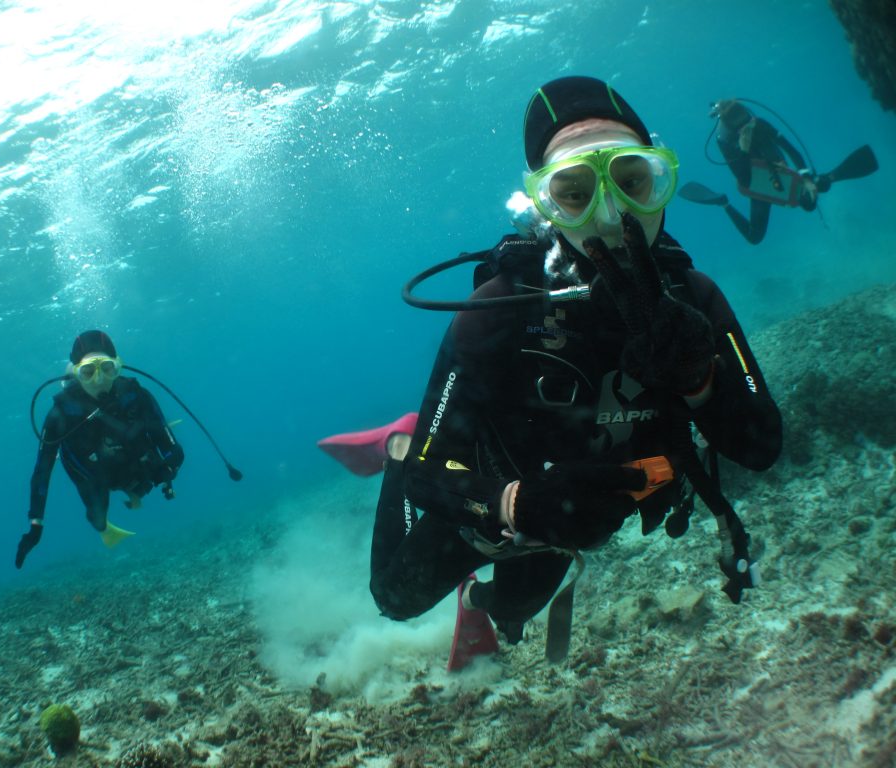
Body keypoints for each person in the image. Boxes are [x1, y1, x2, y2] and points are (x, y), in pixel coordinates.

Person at [366, 76, 783, 663]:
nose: (612, 214)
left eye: (634, 181)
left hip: (583, 510)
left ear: (660, 185)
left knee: (512, 608)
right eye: (576, 192)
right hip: (502, 491)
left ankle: (492, 603)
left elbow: (760, 446)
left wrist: (700, 378)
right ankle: (397, 440)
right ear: (545, 205)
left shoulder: (695, 299)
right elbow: (430, 475)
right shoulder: (497, 311)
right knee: (394, 598)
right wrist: (515, 503)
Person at [15, 330, 185, 568]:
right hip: (90, 472)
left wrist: (170, 465)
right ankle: (103, 524)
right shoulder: (61, 413)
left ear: (118, 367)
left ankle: (135, 490)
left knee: (150, 474)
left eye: (107, 368)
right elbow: (42, 469)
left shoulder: (136, 396)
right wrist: (35, 523)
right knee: (98, 514)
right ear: (76, 372)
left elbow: (170, 446)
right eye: (88, 372)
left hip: (126, 457)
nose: (99, 380)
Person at [679, 98, 877, 244]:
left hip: (778, 169)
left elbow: (792, 150)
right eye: (739, 123)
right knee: (754, 236)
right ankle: (723, 203)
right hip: (755, 184)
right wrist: (743, 150)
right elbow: (743, 178)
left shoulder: (761, 124)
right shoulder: (724, 140)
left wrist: (806, 178)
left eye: (746, 119)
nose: (745, 125)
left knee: (811, 199)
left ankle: (825, 178)